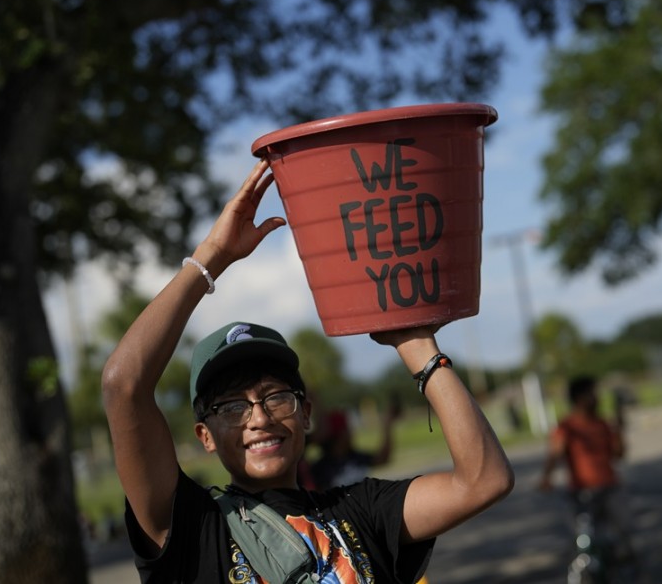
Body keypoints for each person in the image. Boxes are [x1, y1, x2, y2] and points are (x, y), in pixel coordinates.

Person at [101, 158, 514, 583]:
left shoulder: (361, 509)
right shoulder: (192, 527)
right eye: (231, 407)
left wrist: (419, 348)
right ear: (204, 435)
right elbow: (123, 386)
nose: (259, 418)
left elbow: (484, 480)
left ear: (306, 413)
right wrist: (212, 257)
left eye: (275, 397)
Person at [538, 374, 635, 561]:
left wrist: (620, 431)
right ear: (580, 398)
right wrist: (546, 478)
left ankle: (625, 564)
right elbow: (555, 453)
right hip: (581, 492)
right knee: (584, 539)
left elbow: (619, 455)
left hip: (610, 488)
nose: (597, 398)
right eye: (592, 393)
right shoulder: (567, 427)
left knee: (623, 531)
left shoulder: (603, 424)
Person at [310, 401, 400, 490]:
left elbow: (382, 459)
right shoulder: (320, 469)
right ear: (339, 435)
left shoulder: (354, 456)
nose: (351, 433)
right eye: (347, 429)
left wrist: (387, 426)